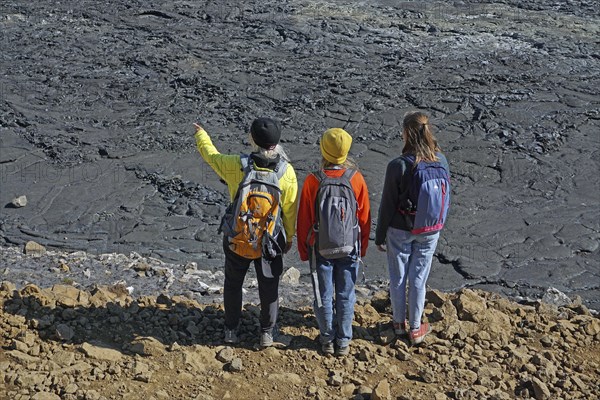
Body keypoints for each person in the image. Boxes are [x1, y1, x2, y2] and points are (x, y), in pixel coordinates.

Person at [193, 118, 298, 347]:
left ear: (252, 139)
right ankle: (267, 333)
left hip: (238, 236)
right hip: (269, 240)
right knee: (269, 286)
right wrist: (288, 238)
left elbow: (211, 157)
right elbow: (289, 210)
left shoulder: (236, 165)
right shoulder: (287, 172)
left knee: (233, 283)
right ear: (277, 142)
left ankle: (231, 331)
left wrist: (202, 135)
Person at [375, 111, 450, 345]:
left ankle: (398, 324)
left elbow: (387, 204)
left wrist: (379, 235)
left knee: (398, 276)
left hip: (399, 230)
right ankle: (416, 328)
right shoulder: (441, 160)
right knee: (419, 277)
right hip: (429, 229)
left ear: (406, 133)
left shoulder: (397, 165)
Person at [297, 128, 371, 356]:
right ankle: (344, 341)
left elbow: (304, 218)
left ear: (323, 150)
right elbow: (365, 217)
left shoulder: (313, 180)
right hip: (349, 247)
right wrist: (363, 248)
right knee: (346, 294)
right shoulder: (356, 179)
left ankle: (327, 339)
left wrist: (303, 250)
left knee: (323, 294)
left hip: (320, 248)